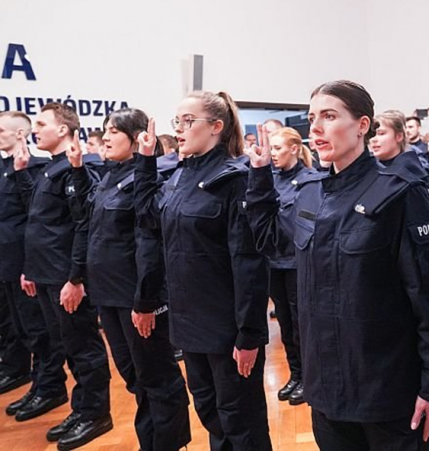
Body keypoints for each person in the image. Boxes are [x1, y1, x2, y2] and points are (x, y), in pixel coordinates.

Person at [245, 80, 429, 450]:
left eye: (329, 116)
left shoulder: (398, 193)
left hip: (387, 389)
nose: (315, 128)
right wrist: (261, 176)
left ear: (362, 125)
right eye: (312, 118)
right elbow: (271, 240)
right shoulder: (309, 192)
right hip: (326, 388)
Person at [134, 91, 272, 451]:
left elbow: (249, 264)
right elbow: (148, 215)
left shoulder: (235, 178)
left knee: (241, 421)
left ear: (216, 127)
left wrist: (249, 335)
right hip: (189, 323)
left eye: (188, 121)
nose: (179, 129)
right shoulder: (180, 176)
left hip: (227, 328)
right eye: (176, 121)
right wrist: (145, 161)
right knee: (211, 413)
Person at [68, 108, 191, 451]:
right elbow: (85, 220)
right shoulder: (109, 175)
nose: (105, 137)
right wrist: (78, 171)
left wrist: (147, 300)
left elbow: (149, 243)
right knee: (135, 378)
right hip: (108, 295)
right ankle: (150, 440)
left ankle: (169, 443)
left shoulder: (146, 178)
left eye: (113, 131)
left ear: (136, 138)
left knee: (158, 377)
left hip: (136, 297)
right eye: (105, 130)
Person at [14, 103, 113, 450]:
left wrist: (76, 278)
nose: (34, 129)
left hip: (64, 277)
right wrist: (30, 268)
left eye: (41, 124)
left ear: (64, 130)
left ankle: (96, 412)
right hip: (45, 273)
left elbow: (82, 227)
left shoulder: (77, 169)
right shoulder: (48, 169)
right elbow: (39, 221)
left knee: (83, 347)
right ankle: (81, 406)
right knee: (66, 346)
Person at [0, 112, 60, 414]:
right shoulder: (3, 168)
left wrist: (30, 266)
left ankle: (50, 386)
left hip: (26, 263)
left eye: (2, 130)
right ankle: (36, 382)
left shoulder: (35, 169)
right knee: (20, 328)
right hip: (6, 263)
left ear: (19, 134)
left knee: (39, 330)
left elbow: (34, 219)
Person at [265, 127, 318, 406]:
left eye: (277, 148)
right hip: (274, 262)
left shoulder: (310, 180)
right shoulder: (269, 179)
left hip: (297, 263)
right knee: (285, 324)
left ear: (295, 149)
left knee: (301, 324)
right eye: (271, 149)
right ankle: (295, 374)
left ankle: (309, 379)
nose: (272, 154)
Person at [371, 110, 429, 221]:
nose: (374, 139)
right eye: (372, 134)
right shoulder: (369, 171)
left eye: (381, 133)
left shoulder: (415, 172)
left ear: (399, 136)